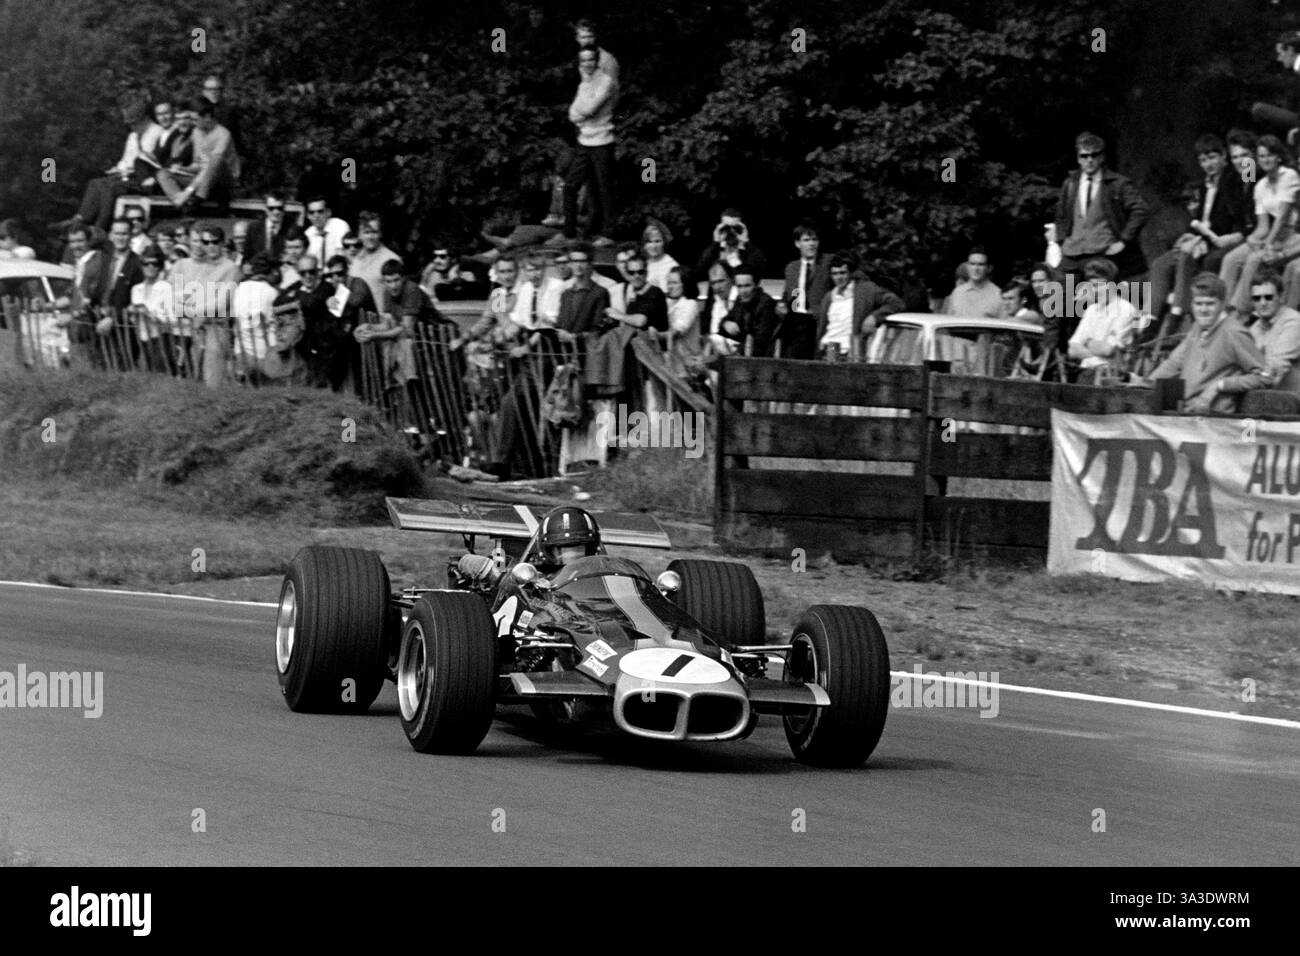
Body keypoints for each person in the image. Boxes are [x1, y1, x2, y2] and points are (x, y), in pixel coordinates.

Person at [1147, 135, 1251, 334]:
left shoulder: (1235, 179)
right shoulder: (1204, 185)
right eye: (1203, 160)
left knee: (1198, 257)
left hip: (1223, 238)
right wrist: (1190, 235)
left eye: (1212, 158)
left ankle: (1178, 314)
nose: (1208, 164)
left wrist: (1203, 238)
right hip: (1202, 237)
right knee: (1160, 264)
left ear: (1223, 157)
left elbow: (1239, 210)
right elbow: (1203, 218)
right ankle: (1150, 319)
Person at [1147, 273, 1269, 413]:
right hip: (1186, 414)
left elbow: (1264, 377)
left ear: (1222, 304)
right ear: (1192, 304)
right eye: (1198, 304)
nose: (1203, 310)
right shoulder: (1197, 327)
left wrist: (1220, 385)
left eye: (1210, 304)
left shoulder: (1233, 333)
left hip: (1215, 420)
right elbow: (1173, 364)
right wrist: (1145, 384)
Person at [1220, 135, 1300, 313]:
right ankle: (1222, 309)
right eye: (1235, 156)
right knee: (1229, 258)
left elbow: (1280, 217)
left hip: (1283, 234)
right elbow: (1259, 223)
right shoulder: (1247, 183)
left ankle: (1238, 311)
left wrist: (1264, 243)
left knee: (1253, 258)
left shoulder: (1283, 175)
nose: (1240, 160)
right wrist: (1251, 239)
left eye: (1244, 155)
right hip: (1264, 234)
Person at [1053, 131, 1150, 278]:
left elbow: (1140, 210)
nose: (1089, 160)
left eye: (1094, 155)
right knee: (1057, 297)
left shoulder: (1118, 183)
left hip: (1103, 251)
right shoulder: (1070, 183)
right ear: (1078, 159)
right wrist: (1061, 240)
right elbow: (1060, 214)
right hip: (1072, 252)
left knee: (1101, 296)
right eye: (1084, 156)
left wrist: (1124, 241)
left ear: (1102, 157)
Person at [563, 48, 618, 246]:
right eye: (583, 60)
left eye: (591, 60)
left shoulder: (605, 82)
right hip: (584, 142)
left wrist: (581, 111)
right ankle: (569, 233)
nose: (587, 64)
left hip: (602, 142)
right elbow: (573, 114)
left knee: (604, 189)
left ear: (597, 61)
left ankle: (608, 233)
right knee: (570, 186)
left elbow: (588, 109)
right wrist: (581, 112)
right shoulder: (584, 83)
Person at [814, 254, 904, 358]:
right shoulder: (829, 296)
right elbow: (823, 327)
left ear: (850, 273)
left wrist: (874, 317)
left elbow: (896, 303)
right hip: (830, 348)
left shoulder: (865, 290)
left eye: (842, 273)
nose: (838, 277)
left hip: (851, 350)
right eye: (835, 274)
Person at [1066, 257, 1139, 382]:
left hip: (1111, 375)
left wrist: (1086, 342)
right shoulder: (1091, 310)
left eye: (1099, 286)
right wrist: (1095, 349)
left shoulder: (1125, 309)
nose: (1094, 291)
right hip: (1086, 371)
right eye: (1092, 286)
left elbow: (1107, 349)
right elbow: (1072, 350)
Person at [776, 223, 832, 359]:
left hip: (815, 321)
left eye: (815, 240)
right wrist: (782, 305)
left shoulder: (828, 262)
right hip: (794, 320)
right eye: (806, 240)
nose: (811, 244)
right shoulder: (792, 268)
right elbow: (789, 295)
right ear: (797, 243)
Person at [1243, 272, 1300, 392]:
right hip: (1268, 394)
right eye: (1257, 298)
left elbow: (1276, 366)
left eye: (1268, 297)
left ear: (1281, 297)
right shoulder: (1254, 328)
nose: (1263, 303)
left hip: (1292, 399)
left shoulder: (1294, 322)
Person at [129, 244, 176, 372]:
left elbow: (172, 320)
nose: (150, 267)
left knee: (160, 377)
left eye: (154, 264)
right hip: (141, 340)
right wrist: (133, 312)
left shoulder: (165, 288)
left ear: (160, 267)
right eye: (146, 263)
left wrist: (149, 315)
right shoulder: (136, 289)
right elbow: (134, 320)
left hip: (159, 340)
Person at [695, 208, 766, 282]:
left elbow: (760, 269)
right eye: (726, 228)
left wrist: (747, 242)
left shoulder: (749, 250)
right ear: (720, 227)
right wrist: (715, 242)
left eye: (736, 228)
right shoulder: (714, 251)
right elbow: (700, 270)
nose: (731, 232)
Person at [351, 211, 402, 309]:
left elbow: (401, 300)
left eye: (374, 232)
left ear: (380, 233)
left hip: (381, 320)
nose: (370, 237)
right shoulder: (356, 259)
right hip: (358, 320)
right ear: (359, 235)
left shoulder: (391, 259)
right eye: (366, 232)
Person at [942, 247, 1001, 317]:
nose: (976, 268)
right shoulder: (957, 292)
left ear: (989, 268)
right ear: (967, 266)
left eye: (981, 264)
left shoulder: (998, 295)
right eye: (972, 264)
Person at [245, 193, 294, 261]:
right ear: (265, 208)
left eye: (280, 208)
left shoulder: (291, 227)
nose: (276, 212)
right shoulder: (253, 228)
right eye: (271, 208)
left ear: (284, 208)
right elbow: (247, 254)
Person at [303, 196, 350, 264]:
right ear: (307, 216)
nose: (316, 216)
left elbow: (341, 255)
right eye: (311, 212)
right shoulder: (308, 234)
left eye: (320, 211)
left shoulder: (339, 225)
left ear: (329, 212)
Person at [642, 219, 679, 291]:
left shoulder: (670, 265)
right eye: (649, 241)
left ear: (664, 243)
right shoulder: (645, 263)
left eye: (657, 241)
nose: (653, 246)